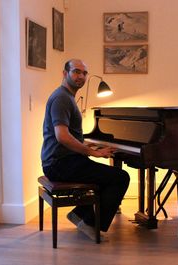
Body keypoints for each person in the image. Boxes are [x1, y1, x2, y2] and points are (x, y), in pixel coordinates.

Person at [41, 58, 130, 241]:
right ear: (65, 74)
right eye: (76, 71)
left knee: (104, 176)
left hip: (66, 160)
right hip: (59, 164)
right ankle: (90, 223)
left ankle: (81, 214)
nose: (81, 76)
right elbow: (62, 136)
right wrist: (93, 152)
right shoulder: (61, 99)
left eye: (84, 73)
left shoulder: (67, 97)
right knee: (120, 177)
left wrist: (89, 146)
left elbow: (71, 136)